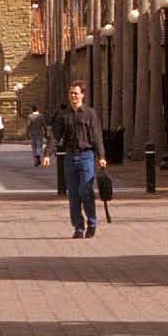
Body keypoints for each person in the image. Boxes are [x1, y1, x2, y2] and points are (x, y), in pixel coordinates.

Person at [52, 80, 107, 238]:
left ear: (82, 94)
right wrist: (47, 154)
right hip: (70, 157)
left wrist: (101, 156)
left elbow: (97, 137)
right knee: (73, 194)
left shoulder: (90, 114)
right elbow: (55, 136)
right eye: (71, 93)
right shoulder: (64, 115)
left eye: (76, 93)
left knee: (85, 190)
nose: (73, 96)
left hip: (86, 156)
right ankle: (78, 227)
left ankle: (91, 222)